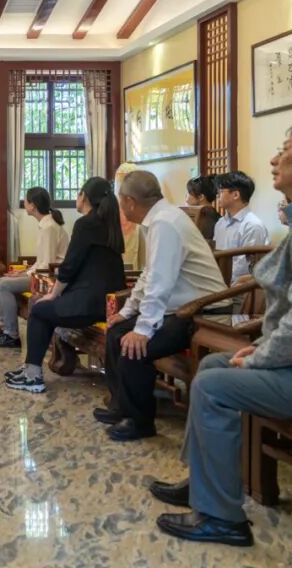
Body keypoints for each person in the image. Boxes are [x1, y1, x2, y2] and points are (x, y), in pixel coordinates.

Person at [151, 119, 292, 547]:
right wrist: (258, 350)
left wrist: (259, 356)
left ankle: (222, 518)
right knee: (215, 365)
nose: (275, 159)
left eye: (286, 149)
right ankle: (203, 482)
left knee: (214, 385)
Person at [100, 171, 227, 441]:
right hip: (179, 308)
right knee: (116, 331)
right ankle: (121, 406)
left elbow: (160, 283)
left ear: (130, 201)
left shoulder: (166, 223)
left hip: (203, 313)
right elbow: (149, 275)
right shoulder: (158, 219)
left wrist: (143, 329)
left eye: (121, 201)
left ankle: (140, 422)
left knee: (134, 347)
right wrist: (126, 312)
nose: (121, 207)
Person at [5, 178, 126, 392]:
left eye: (78, 193)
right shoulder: (109, 224)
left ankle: (33, 376)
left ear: (84, 197)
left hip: (89, 303)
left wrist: (54, 294)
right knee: (44, 306)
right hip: (108, 302)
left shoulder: (85, 224)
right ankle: (30, 369)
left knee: (39, 309)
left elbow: (70, 266)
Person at [0, 187, 69, 348]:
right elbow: (42, 261)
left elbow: (46, 265)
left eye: (25, 201)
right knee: (4, 280)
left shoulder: (49, 227)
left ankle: (10, 334)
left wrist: (24, 274)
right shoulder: (46, 225)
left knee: (3, 284)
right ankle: (4, 329)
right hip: (44, 273)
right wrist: (22, 272)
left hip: (50, 278)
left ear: (33, 205)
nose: (24, 204)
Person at [213, 171, 269, 284]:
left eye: (221, 191)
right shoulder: (220, 223)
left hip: (240, 288)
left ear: (235, 195)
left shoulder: (252, 225)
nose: (217, 195)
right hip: (218, 283)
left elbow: (244, 269)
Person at [185, 175, 221, 241]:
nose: (186, 197)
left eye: (188, 193)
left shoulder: (206, 218)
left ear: (201, 197)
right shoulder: (213, 215)